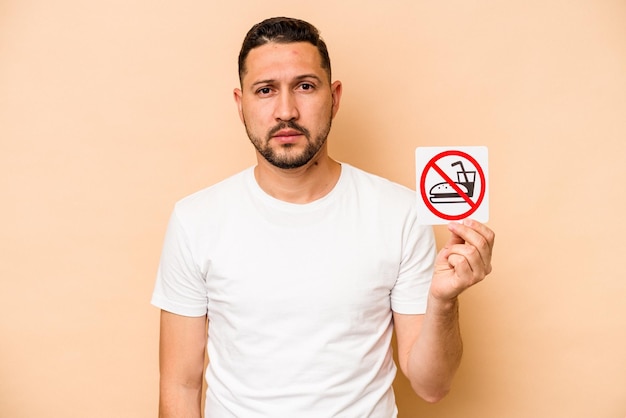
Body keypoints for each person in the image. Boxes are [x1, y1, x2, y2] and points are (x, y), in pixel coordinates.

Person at [151, 16, 495, 418]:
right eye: (265, 90)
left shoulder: (400, 213)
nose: (286, 110)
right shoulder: (195, 220)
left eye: (305, 86)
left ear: (334, 97)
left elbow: (431, 385)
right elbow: (179, 384)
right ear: (240, 104)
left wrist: (443, 300)